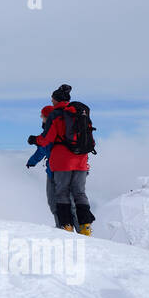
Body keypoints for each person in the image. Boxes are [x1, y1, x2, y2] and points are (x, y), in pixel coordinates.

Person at [28, 84, 95, 235]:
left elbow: (47, 139)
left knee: (62, 193)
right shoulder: (79, 112)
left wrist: (34, 140)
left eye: (52, 99)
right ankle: (85, 227)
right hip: (82, 160)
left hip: (62, 162)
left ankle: (66, 226)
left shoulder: (56, 115)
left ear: (56, 100)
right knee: (80, 193)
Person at [26, 106, 63, 228]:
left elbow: (42, 150)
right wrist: (32, 162)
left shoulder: (48, 134)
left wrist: (31, 162)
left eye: (42, 116)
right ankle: (80, 228)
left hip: (54, 170)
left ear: (47, 117)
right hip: (71, 169)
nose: (41, 119)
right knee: (70, 199)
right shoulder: (62, 130)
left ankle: (61, 226)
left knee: (53, 200)